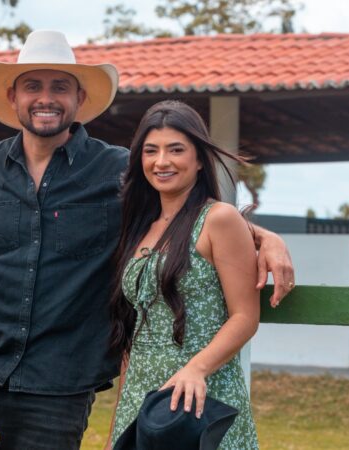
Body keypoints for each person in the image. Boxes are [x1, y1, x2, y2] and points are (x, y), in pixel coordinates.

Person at [0, 30, 292, 450]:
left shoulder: (119, 172)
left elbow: (189, 212)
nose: (46, 98)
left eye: (60, 87)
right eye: (33, 86)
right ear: (13, 97)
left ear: (79, 99)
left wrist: (264, 236)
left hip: (60, 382)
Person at [107, 100, 260, 449]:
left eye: (176, 149)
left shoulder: (218, 219)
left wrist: (197, 369)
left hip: (202, 397)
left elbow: (245, 316)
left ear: (198, 159)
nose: (162, 162)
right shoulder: (139, 227)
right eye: (151, 151)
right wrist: (118, 425)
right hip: (141, 399)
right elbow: (135, 334)